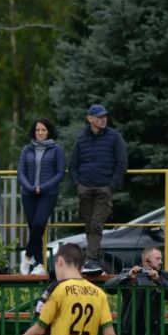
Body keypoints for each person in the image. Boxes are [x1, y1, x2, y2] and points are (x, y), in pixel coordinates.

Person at [70, 104, 128, 275]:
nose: (104, 119)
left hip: (104, 188)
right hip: (85, 188)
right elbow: (73, 164)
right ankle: (96, 262)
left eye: (105, 116)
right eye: (100, 117)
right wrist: (77, 185)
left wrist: (112, 185)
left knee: (96, 224)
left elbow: (122, 162)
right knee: (90, 225)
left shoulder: (114, 137)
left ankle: (91, 260)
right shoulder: (81, 138)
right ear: (90, 119)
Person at [17, 118, 66, 276]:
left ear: (48, 131)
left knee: (39, 224)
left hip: (48, 194)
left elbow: (60, 173)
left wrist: (42, 187)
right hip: (28, 193)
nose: (40, 133)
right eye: (37, 130)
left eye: (43, 130)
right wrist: (30, 188)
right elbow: (20, 172)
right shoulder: (27, 150)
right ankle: (39, 265)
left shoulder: (56, 149)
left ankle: (27, 257)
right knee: (33, 228)